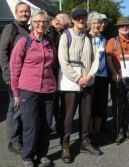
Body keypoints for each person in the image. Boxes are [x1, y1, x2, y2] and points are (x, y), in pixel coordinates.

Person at [10, 10, 56, 167]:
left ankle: (43, 154)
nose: (41, 24)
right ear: (32, 24)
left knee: (46, 124)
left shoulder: (50, 42)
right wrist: (16, 93)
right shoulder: (24, 42)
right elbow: (15, 68)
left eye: (44, 21)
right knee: (30, 125)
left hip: (48, 89)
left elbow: (54, 65)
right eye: (38, 21)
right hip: (28, 89)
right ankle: (27, 156)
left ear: (48, 24)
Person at [58, 8, 101, 164]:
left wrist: (89, 76)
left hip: (88, 81)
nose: (81, 20)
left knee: (86, 113)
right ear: (73, 19)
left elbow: (96, 59)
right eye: (78, 18)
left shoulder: (90, 37)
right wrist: (78, 78)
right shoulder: (66, 36)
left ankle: (84, 141)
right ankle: (65, 145)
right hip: (71, 81)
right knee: (68, 116)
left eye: (83, 17)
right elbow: (63, 61)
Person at [0, 1, 31, 155]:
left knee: (21, 107)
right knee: (14, 107)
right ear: (16, 13)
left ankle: (20, 136)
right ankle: (13, 141)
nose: (24, 14)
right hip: (14, 76)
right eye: (22, 11)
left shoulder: (28, 30)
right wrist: (7, 74)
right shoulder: (10, 28)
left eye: (27, 11)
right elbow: (3, 52)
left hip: (27, 77)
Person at [106, 16, 129, 145]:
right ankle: (120, 131)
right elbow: (109, 59)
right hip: (118, 79)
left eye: (127, 25)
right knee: (118, 106)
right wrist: (114, 73)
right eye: (122, 26)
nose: (125, 27)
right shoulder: (112, 41)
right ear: (118, 28)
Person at [47, 13, 71, 134]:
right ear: (57, 23)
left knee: (58, 100)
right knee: (53, 100)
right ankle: (52, 125)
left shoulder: (59, 33)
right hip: (51, 71)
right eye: (64, 26)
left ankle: (58, 124)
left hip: (58, 70)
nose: (64, 29)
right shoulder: (49, 32)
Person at [87, 12, 108, 143]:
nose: (96, 25)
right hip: (90, 75)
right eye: (94, 23)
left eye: (98, 23)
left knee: (101, 104)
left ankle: (97, 130)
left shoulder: (103, 39)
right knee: (89, 104)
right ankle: (88, 131)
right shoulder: (86, 37)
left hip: (103, 75)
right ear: (90, 24)